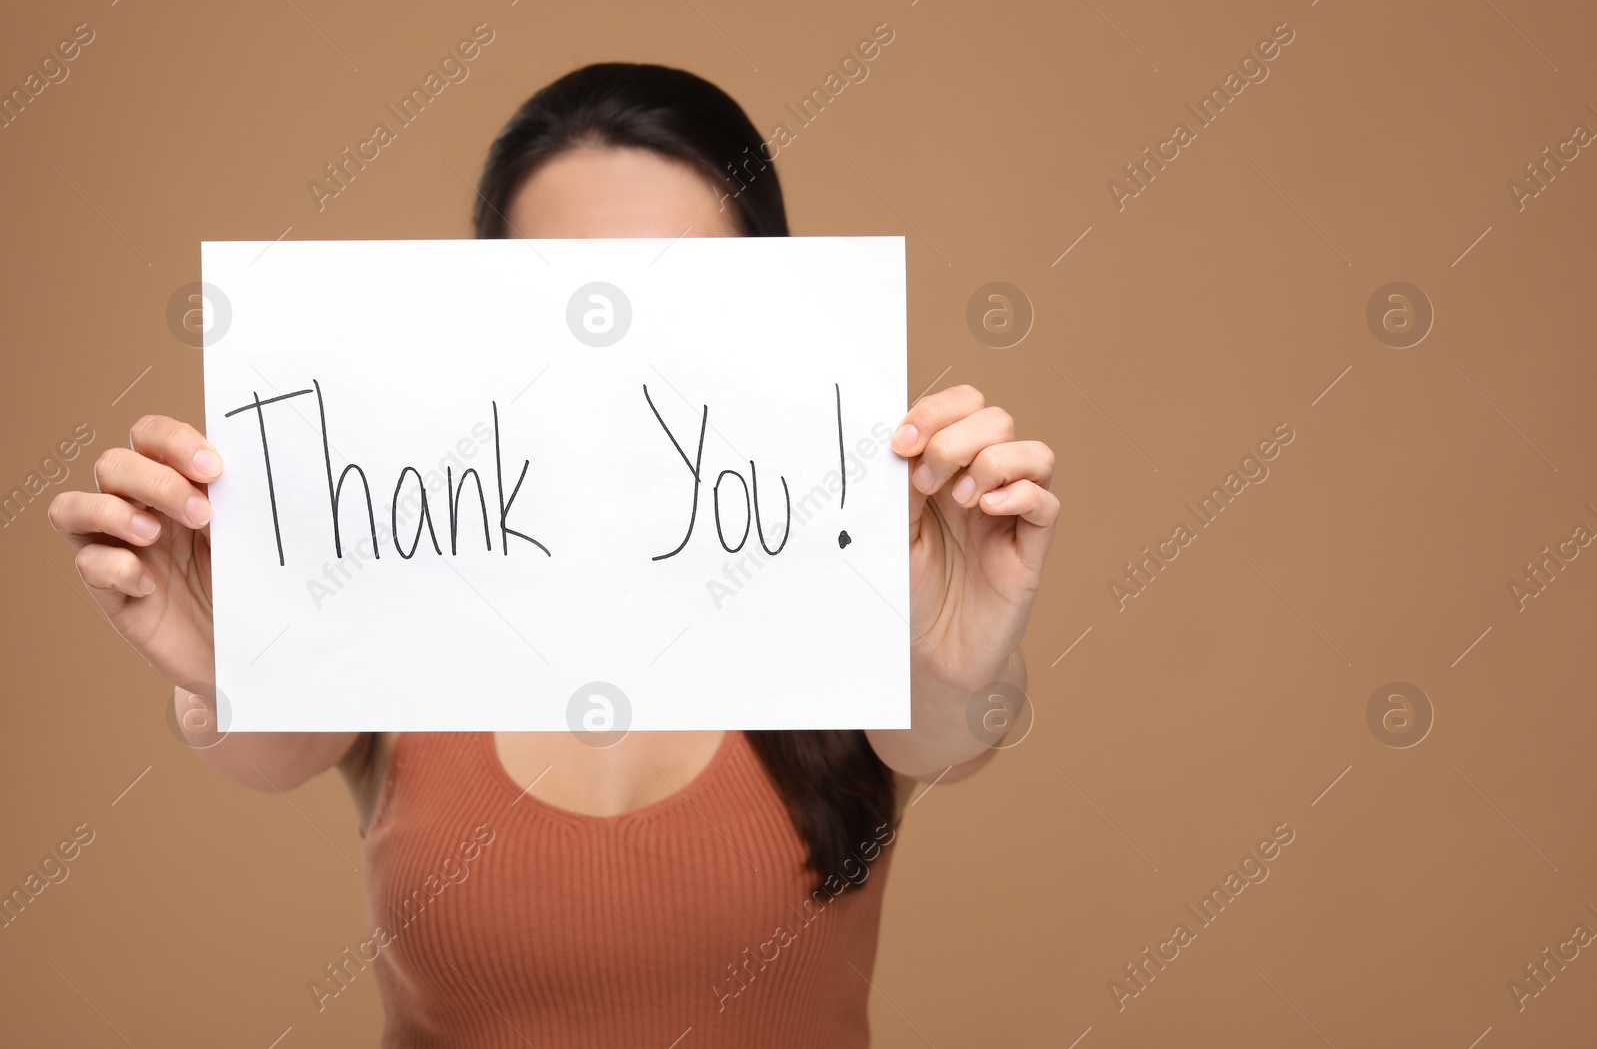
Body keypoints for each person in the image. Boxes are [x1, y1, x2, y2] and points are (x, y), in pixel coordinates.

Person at [49, 63, 1058, 1047]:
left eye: (681, 292)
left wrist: (946, 660)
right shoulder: (400, 581)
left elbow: (946, 730)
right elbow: (268, 750)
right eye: (568, 299)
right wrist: (239, 660)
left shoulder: (855, 588)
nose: (620, 342)